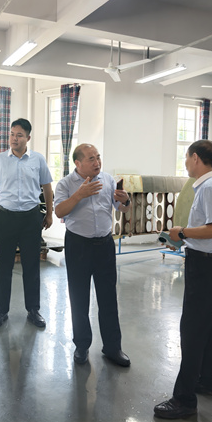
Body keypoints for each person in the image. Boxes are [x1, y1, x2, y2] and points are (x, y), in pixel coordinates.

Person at [153, 139, 212, 419]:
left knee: (192, 331)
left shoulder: (209, 187)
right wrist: (183, 238)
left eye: (186, 158)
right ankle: (208, 381)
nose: (185, 163)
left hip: (207, 266)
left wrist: (183, 232)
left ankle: (184, 399)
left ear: (196, 158)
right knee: (208, 326)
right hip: (208, 262)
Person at [54, 143, 132, 367]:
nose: (97, 162)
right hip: (78, 245)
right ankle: (81, 345)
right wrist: (79, 195)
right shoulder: (65, 184)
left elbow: (121, 208)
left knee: (108, 297)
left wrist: (126, 200)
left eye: (98, 157)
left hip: (104, 245)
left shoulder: (107, 180)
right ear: (78, 163)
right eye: (91, 159)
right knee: (79, 297)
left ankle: (112, 348)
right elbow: (59, 211)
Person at [0, 118, 53, 329]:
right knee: (3, 266)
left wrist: (49, 214)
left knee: (32, 266)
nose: (14, 139)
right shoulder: (0, 160)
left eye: (19, 135)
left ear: (28, 138)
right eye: (12, 134)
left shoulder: (38, 160)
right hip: (5, 218)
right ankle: (1, 312)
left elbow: (47, 188)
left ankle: (33, 310)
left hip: (30, 218)